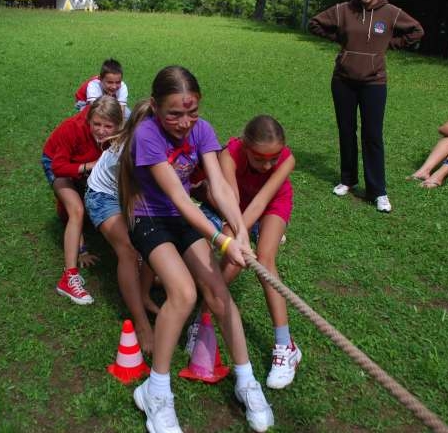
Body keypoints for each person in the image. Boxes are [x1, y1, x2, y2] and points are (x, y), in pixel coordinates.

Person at [120, 66, 274, 433]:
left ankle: (246, 381)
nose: (185, 122)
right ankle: (155, 392)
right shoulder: (147, 134)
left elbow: (219, 187)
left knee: (219, 292)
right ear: (156, 107)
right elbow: (178, 195)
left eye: (192, 112)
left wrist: (240, 232)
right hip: (151, 218)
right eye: (174, 113)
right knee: (184, 292)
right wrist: (222, 241)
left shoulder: (202, 131)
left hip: (184, 217)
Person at [189, 115, 302, 390]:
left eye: (272, 159)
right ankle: (202, 317)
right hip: (235, 205)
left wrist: (241, 235)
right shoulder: (230, 154)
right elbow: (232, 201)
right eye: (260, 159)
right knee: (234, 258)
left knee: (264, 258)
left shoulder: (287, 160)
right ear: (246, 147)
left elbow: (264, 200)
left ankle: (285, 346)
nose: (267, 165)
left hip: (272, 204)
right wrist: (237, 236)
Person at [309, 0, 424, 213]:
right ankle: (347, 179)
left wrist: (390, 45)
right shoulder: (343, 10)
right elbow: (315, 23)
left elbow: (417, 31)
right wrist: (342, 41)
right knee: (346, 130)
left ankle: (377, 191)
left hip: (374, 82)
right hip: (343, 80)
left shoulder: (391, 13)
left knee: (372, 135)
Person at [84, 100, 158, 353]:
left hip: (133, 193)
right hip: (103, 195)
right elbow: (132, 193)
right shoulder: (127, 152)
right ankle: (141, 324)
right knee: (128, 248)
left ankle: (145, 295)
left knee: (151, 239)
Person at [41, 95, 123, 305]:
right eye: (96, 124)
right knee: (76, 209)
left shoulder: (121, 134)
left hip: (85, 164)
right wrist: (89, 166)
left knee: (84, 206)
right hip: (57, 163)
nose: (102, 130)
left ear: (118, 125)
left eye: (108, 126)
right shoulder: (73, 128)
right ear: (89, 121)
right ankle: (68, 278)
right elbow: (59, 167)